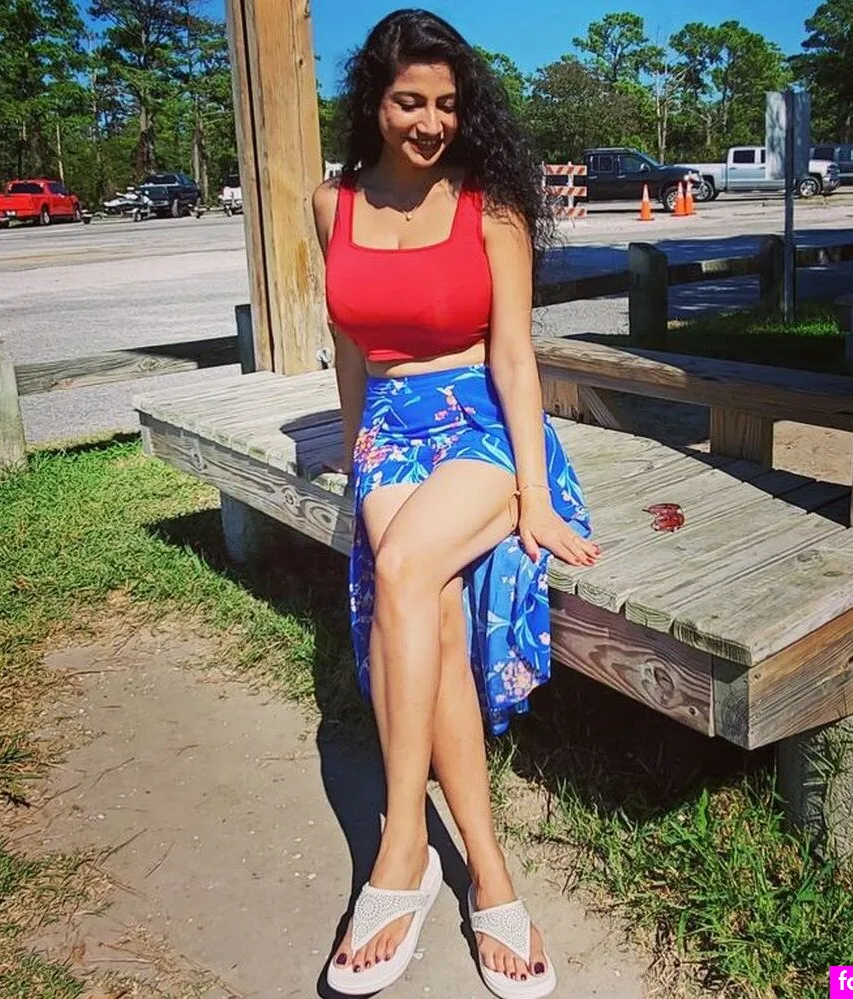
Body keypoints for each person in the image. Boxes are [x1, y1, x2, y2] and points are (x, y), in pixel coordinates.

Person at [311, 9, 600, 997]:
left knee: (403, 565)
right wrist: (357, 448)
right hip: (393, 431)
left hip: (481, 421)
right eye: (410, 102)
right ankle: (488, 871)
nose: (430, 122)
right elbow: (350, 346)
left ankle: (402, 849)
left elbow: (515, 356)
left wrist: (534, 493)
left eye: (446, 103)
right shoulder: (331, 203)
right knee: (422, 600)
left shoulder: (491, 203)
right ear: (374, 101)